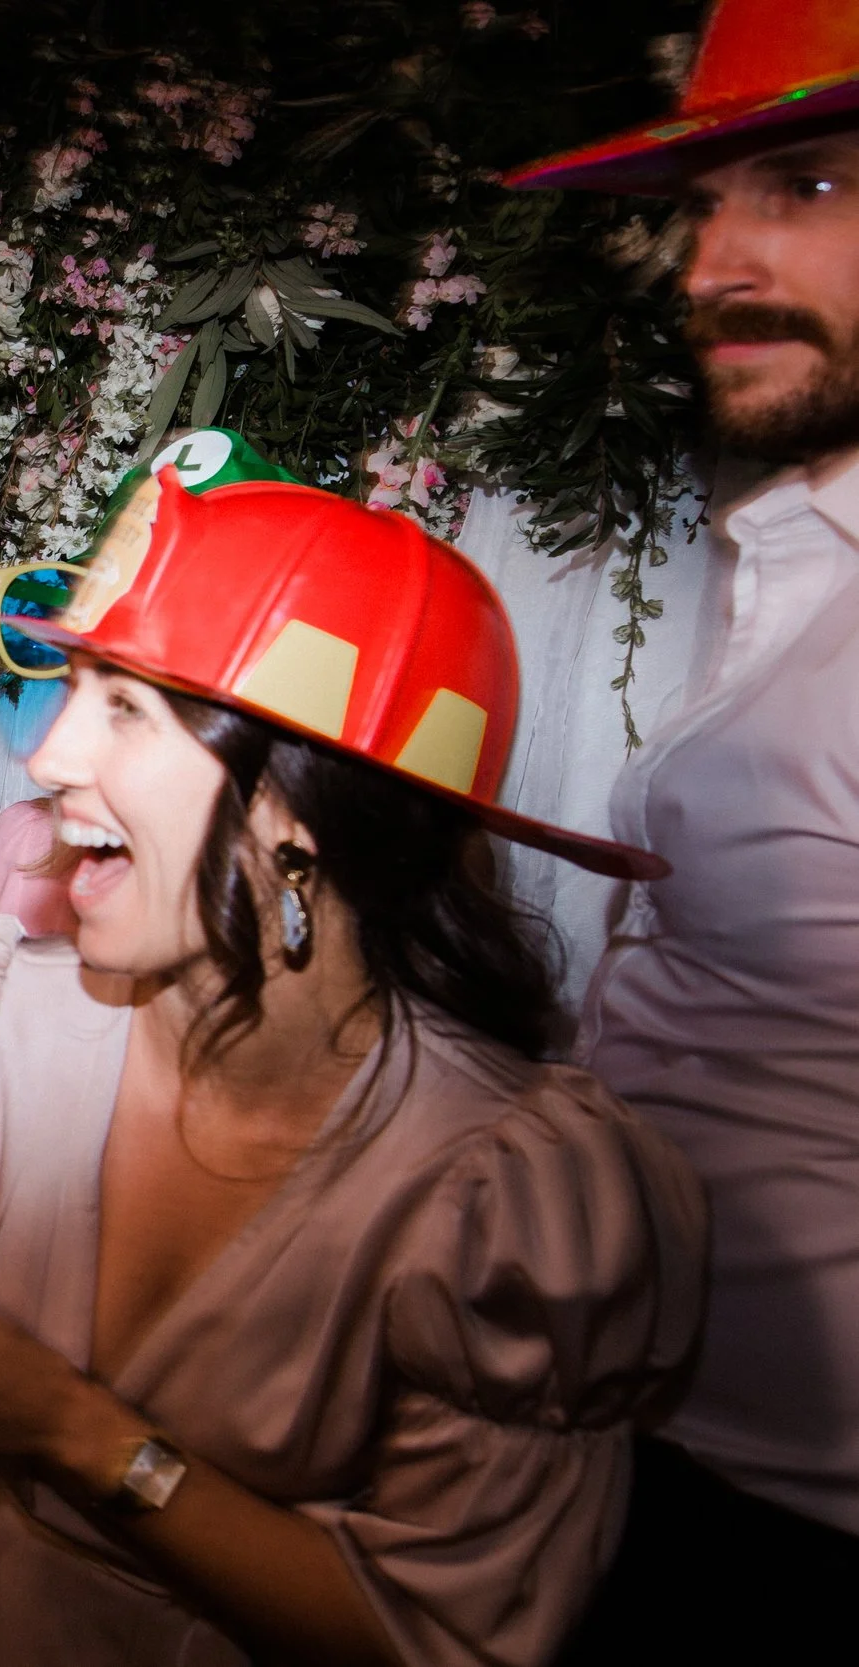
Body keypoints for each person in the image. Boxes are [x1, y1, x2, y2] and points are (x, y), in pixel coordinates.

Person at [0, 462, 706, 1667]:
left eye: (128, 707)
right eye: (70, 689)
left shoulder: (498, 1185)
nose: (46, 758)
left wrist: (91, 1437)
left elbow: (436, 1632)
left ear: (300, 808)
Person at [503, 5, 859, 1650]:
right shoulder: (796, 557)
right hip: (650, 1452)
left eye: (803, 183)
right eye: (705, 200)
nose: (714, 257)